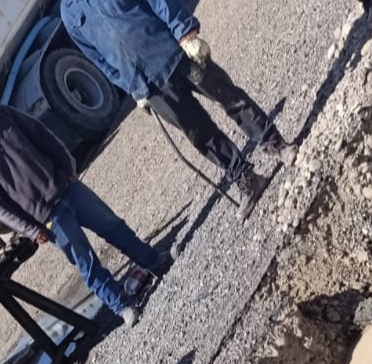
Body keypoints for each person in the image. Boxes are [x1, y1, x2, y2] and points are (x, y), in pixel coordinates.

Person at [0, 87, 170, 327]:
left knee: (113, 227)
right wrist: (30, 229)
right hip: (46, 216)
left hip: (66, 187)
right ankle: (121, 305)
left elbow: (39, 134)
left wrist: (67, 166)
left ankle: (155, 261)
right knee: (85, 261)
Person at [60, 0, 296, 215]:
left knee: (227, 96)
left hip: (173, 51)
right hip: (150, 86)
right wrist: (131, 86)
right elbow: (99, 59)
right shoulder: (69, 13)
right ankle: (245, 178)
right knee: (199, 134)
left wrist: (184, 31)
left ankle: (274, 142)